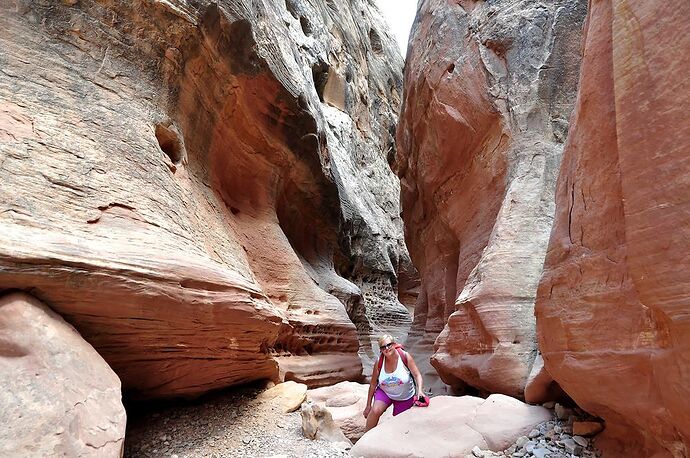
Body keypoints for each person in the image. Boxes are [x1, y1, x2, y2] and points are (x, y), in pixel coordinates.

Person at [363, 334, 424, 431]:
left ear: (394, 344)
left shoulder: (404, 356)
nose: (387, 349)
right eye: (383, 347)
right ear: (380, 350)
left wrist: (420, 391)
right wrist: (368, 405)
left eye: (389, 345)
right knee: (375, 410)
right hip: (385, 392)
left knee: (399, 425)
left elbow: (417, 375)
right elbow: (373, 384)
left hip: (404, 397)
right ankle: (364, 440)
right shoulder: (379, 362)